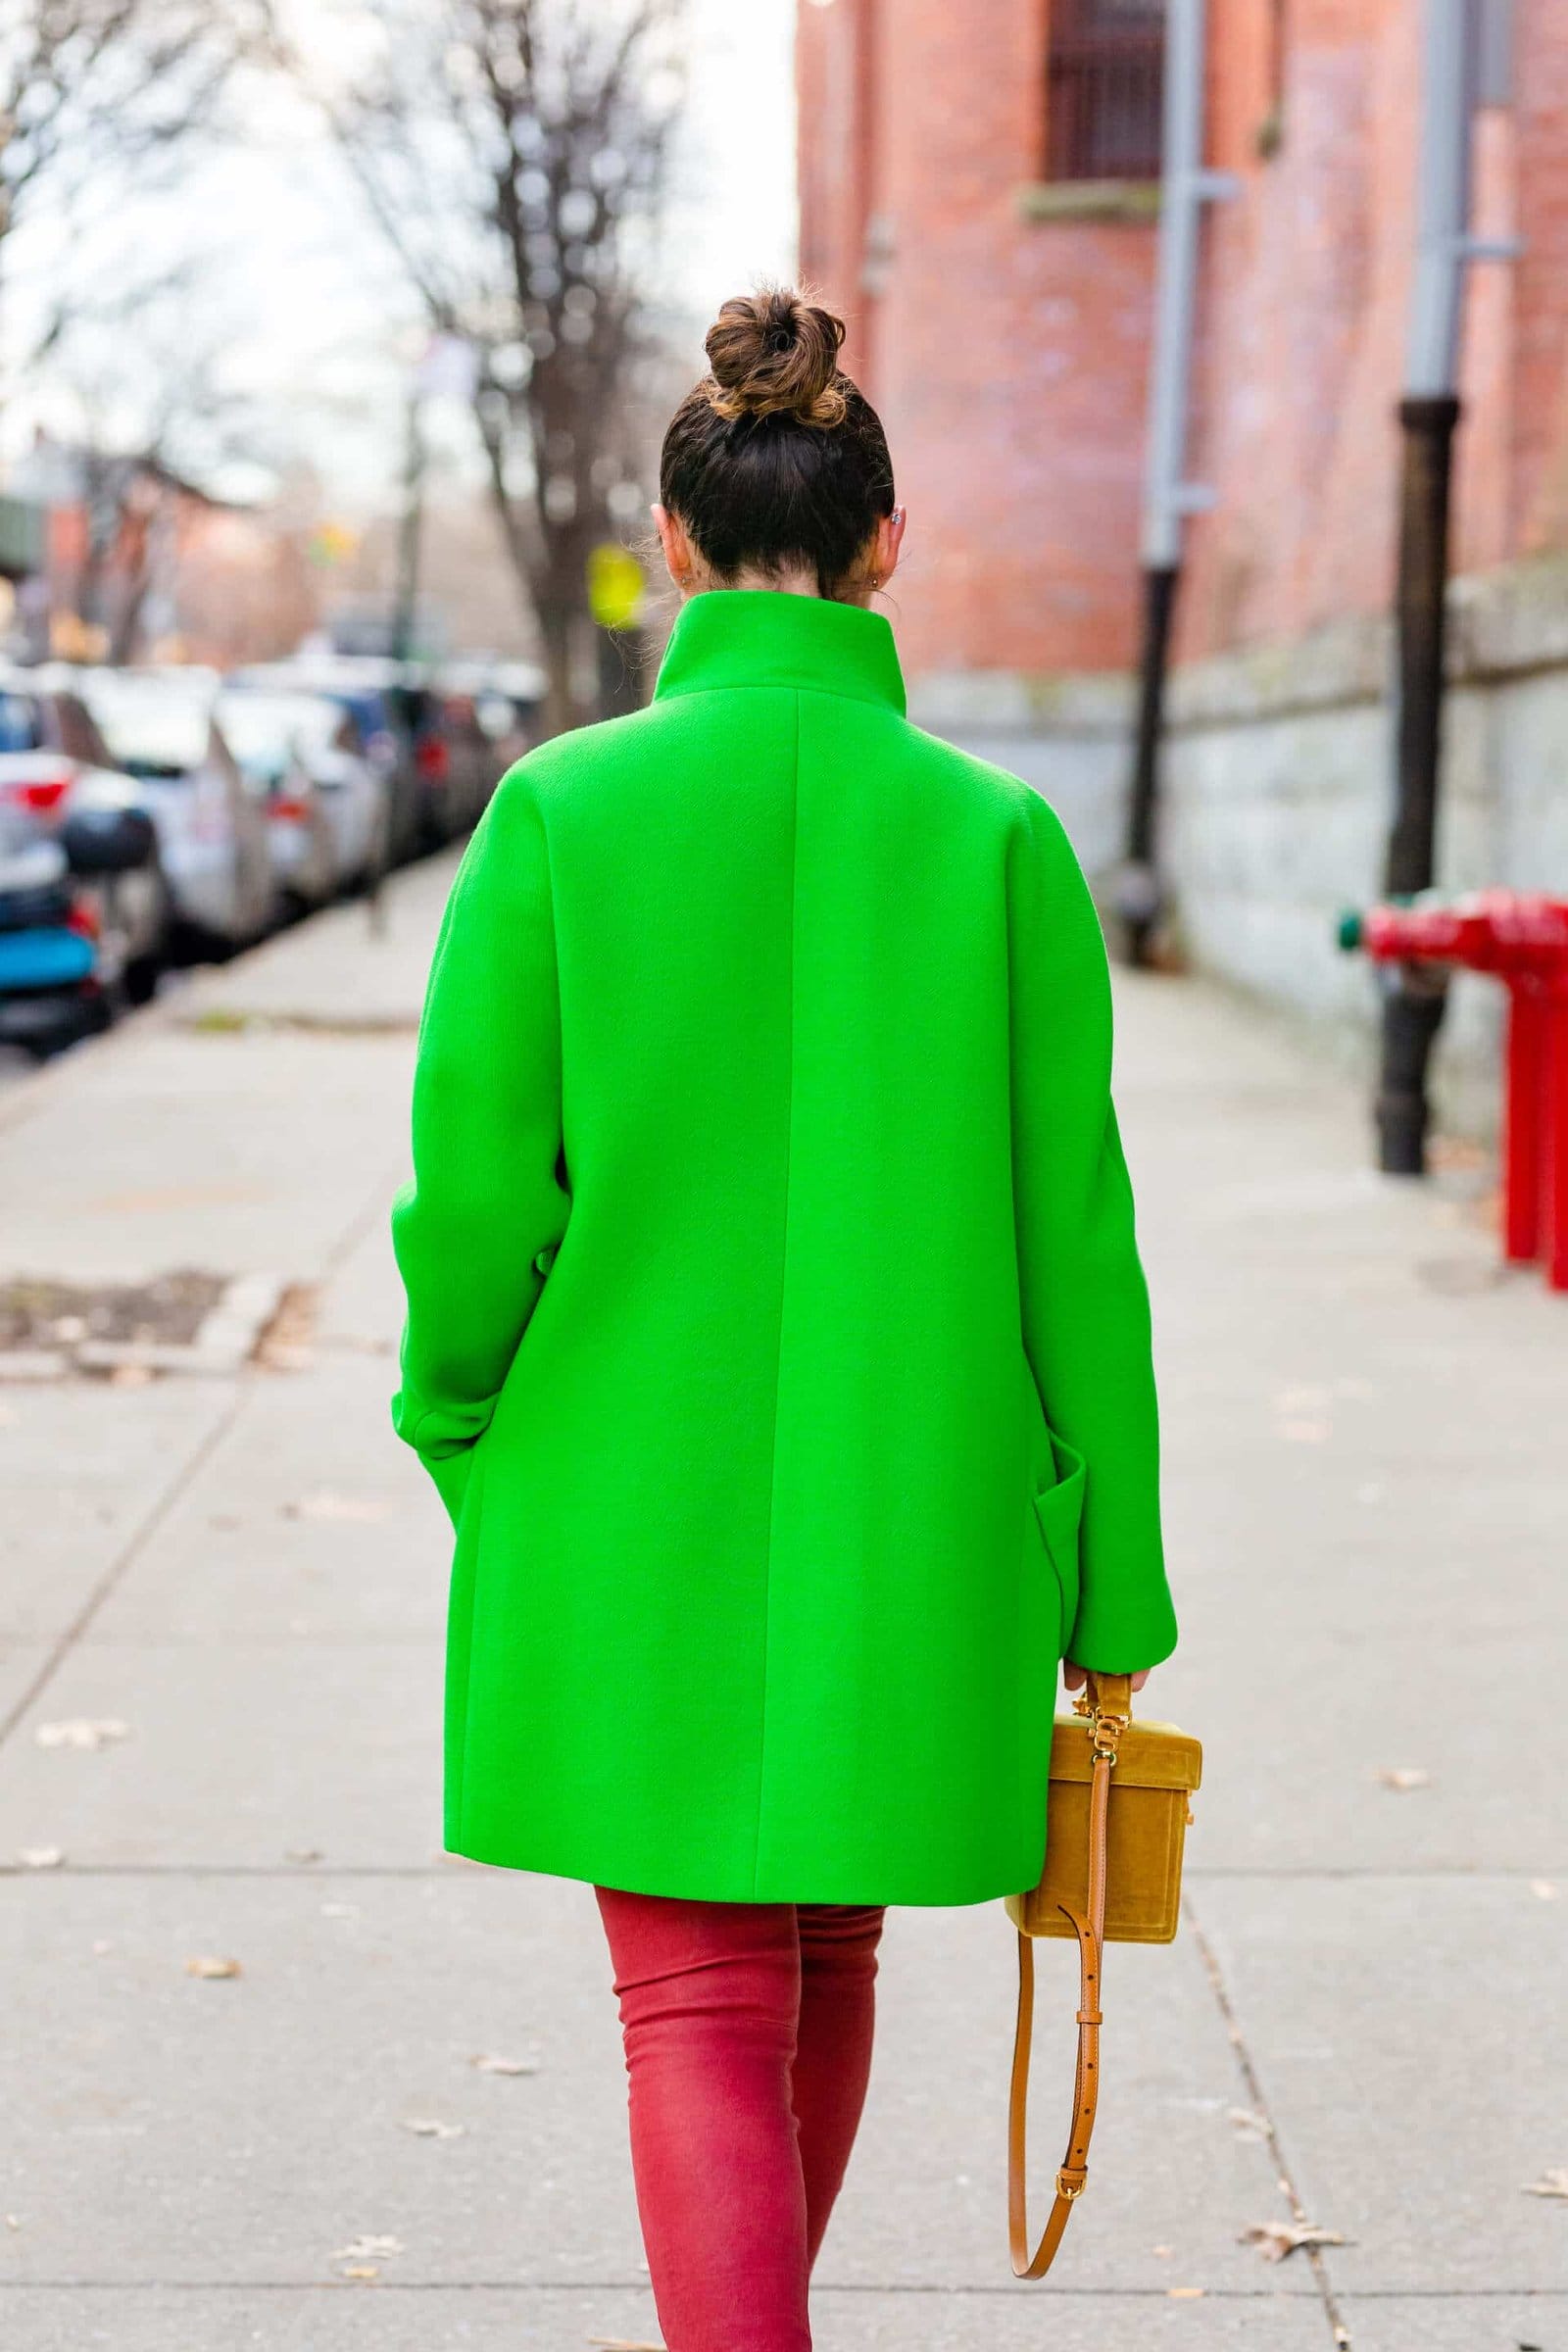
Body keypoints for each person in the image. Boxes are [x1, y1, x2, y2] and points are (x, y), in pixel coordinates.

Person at [390, 286, 1178, 2352]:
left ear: (673, 546)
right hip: (908, 1511)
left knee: (695, 1998)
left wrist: (459, 1418)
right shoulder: (998, 844)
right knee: (821, 1952)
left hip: (621, 1492)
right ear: (883, 542)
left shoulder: (559, 815)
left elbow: (475, 1200)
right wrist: (1112, 1576)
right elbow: (1074, 1238)